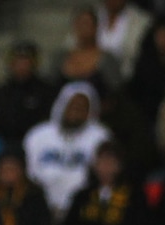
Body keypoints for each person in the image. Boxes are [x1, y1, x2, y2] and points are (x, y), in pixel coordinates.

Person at [23, 81, 110, 215]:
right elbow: (28, 173)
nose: (76, 110)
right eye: (72, 105)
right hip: (40, 208)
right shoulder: (38, 134)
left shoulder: (101, 137)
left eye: (82, 107)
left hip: (83, 209)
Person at [61, 140, 146, 225]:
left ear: (119, 166)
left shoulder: (133, 195)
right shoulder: (83, 196)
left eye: (110, 163)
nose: (105, 168)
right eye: (102, 162)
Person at [0, 40, 59, 147]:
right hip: (3, 148)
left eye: (26, 61)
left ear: (35, 63)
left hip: (38, 145)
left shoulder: (48, 92)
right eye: (17, 61)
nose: (22, 65)